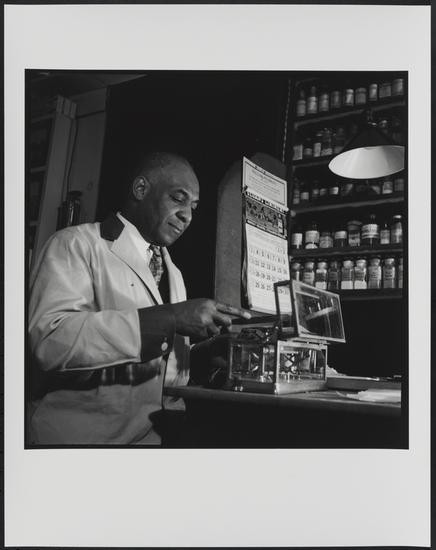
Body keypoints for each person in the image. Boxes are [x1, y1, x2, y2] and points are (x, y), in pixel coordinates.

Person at [27, 152, 250, 445]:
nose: (187, 215)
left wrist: (204, 354)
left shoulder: (173, 273)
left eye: (193, 207)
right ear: (141, 189)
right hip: (81, 443)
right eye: (178, 198)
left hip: (149, 440)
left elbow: (162, 363)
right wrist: (169, 318)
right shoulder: (75, 244)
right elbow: (49, 343)